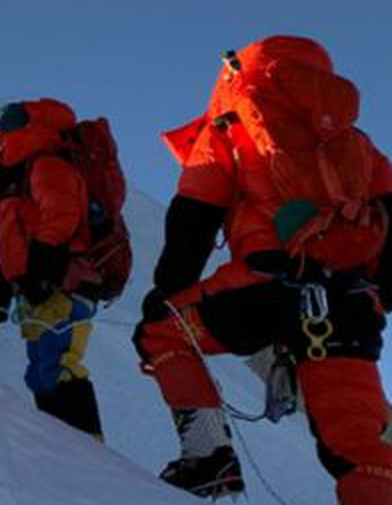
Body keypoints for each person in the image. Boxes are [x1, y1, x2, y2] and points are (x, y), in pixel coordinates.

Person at [133, 35, 392, 503]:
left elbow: (193, 213)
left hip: (265, 286)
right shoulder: (355, 142)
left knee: (162, 331)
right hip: (351, 302)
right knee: (360, 448)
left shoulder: (231, 121)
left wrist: (167, 289)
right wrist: (376, 298)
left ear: (239, 71)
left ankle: (208, 458)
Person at [0, 99, 105, 441]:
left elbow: (62, 216)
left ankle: (89, 458)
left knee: (58, 365)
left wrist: (40, 271)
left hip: (62, 281)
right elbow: (13, 242)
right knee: (42, 372)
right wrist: (2, 289)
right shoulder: (16, 176)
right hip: (40, 286)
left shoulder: (45, 163)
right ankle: (63, 453)